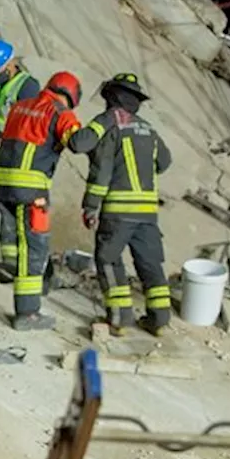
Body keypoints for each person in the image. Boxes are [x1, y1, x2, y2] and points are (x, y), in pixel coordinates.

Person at [75, 73, 173, 336]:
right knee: (150, 264)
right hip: (147, 214)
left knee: (108, 259)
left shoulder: (111, 126)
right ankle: (160, 321)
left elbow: (101, 170)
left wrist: (90, 207)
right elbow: (164, 162)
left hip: (118, 212)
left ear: (112, 97)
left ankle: (120, 320)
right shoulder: (149, 129)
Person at [0, 71, 83, 331]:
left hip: (1, 182)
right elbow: (77, 142)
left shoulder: (21, 106)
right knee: (34, 249)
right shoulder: (59, 112)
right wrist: (98, 128)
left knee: (16, 239)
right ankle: (27, 313)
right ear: (71, 96)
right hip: (30, 190)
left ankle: (21, 280)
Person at [0, 39, 40, 262]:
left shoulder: (27, 86)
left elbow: (25, 122)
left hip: (13, 154)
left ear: (11, 64)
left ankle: (13, 262)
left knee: (9, 209)